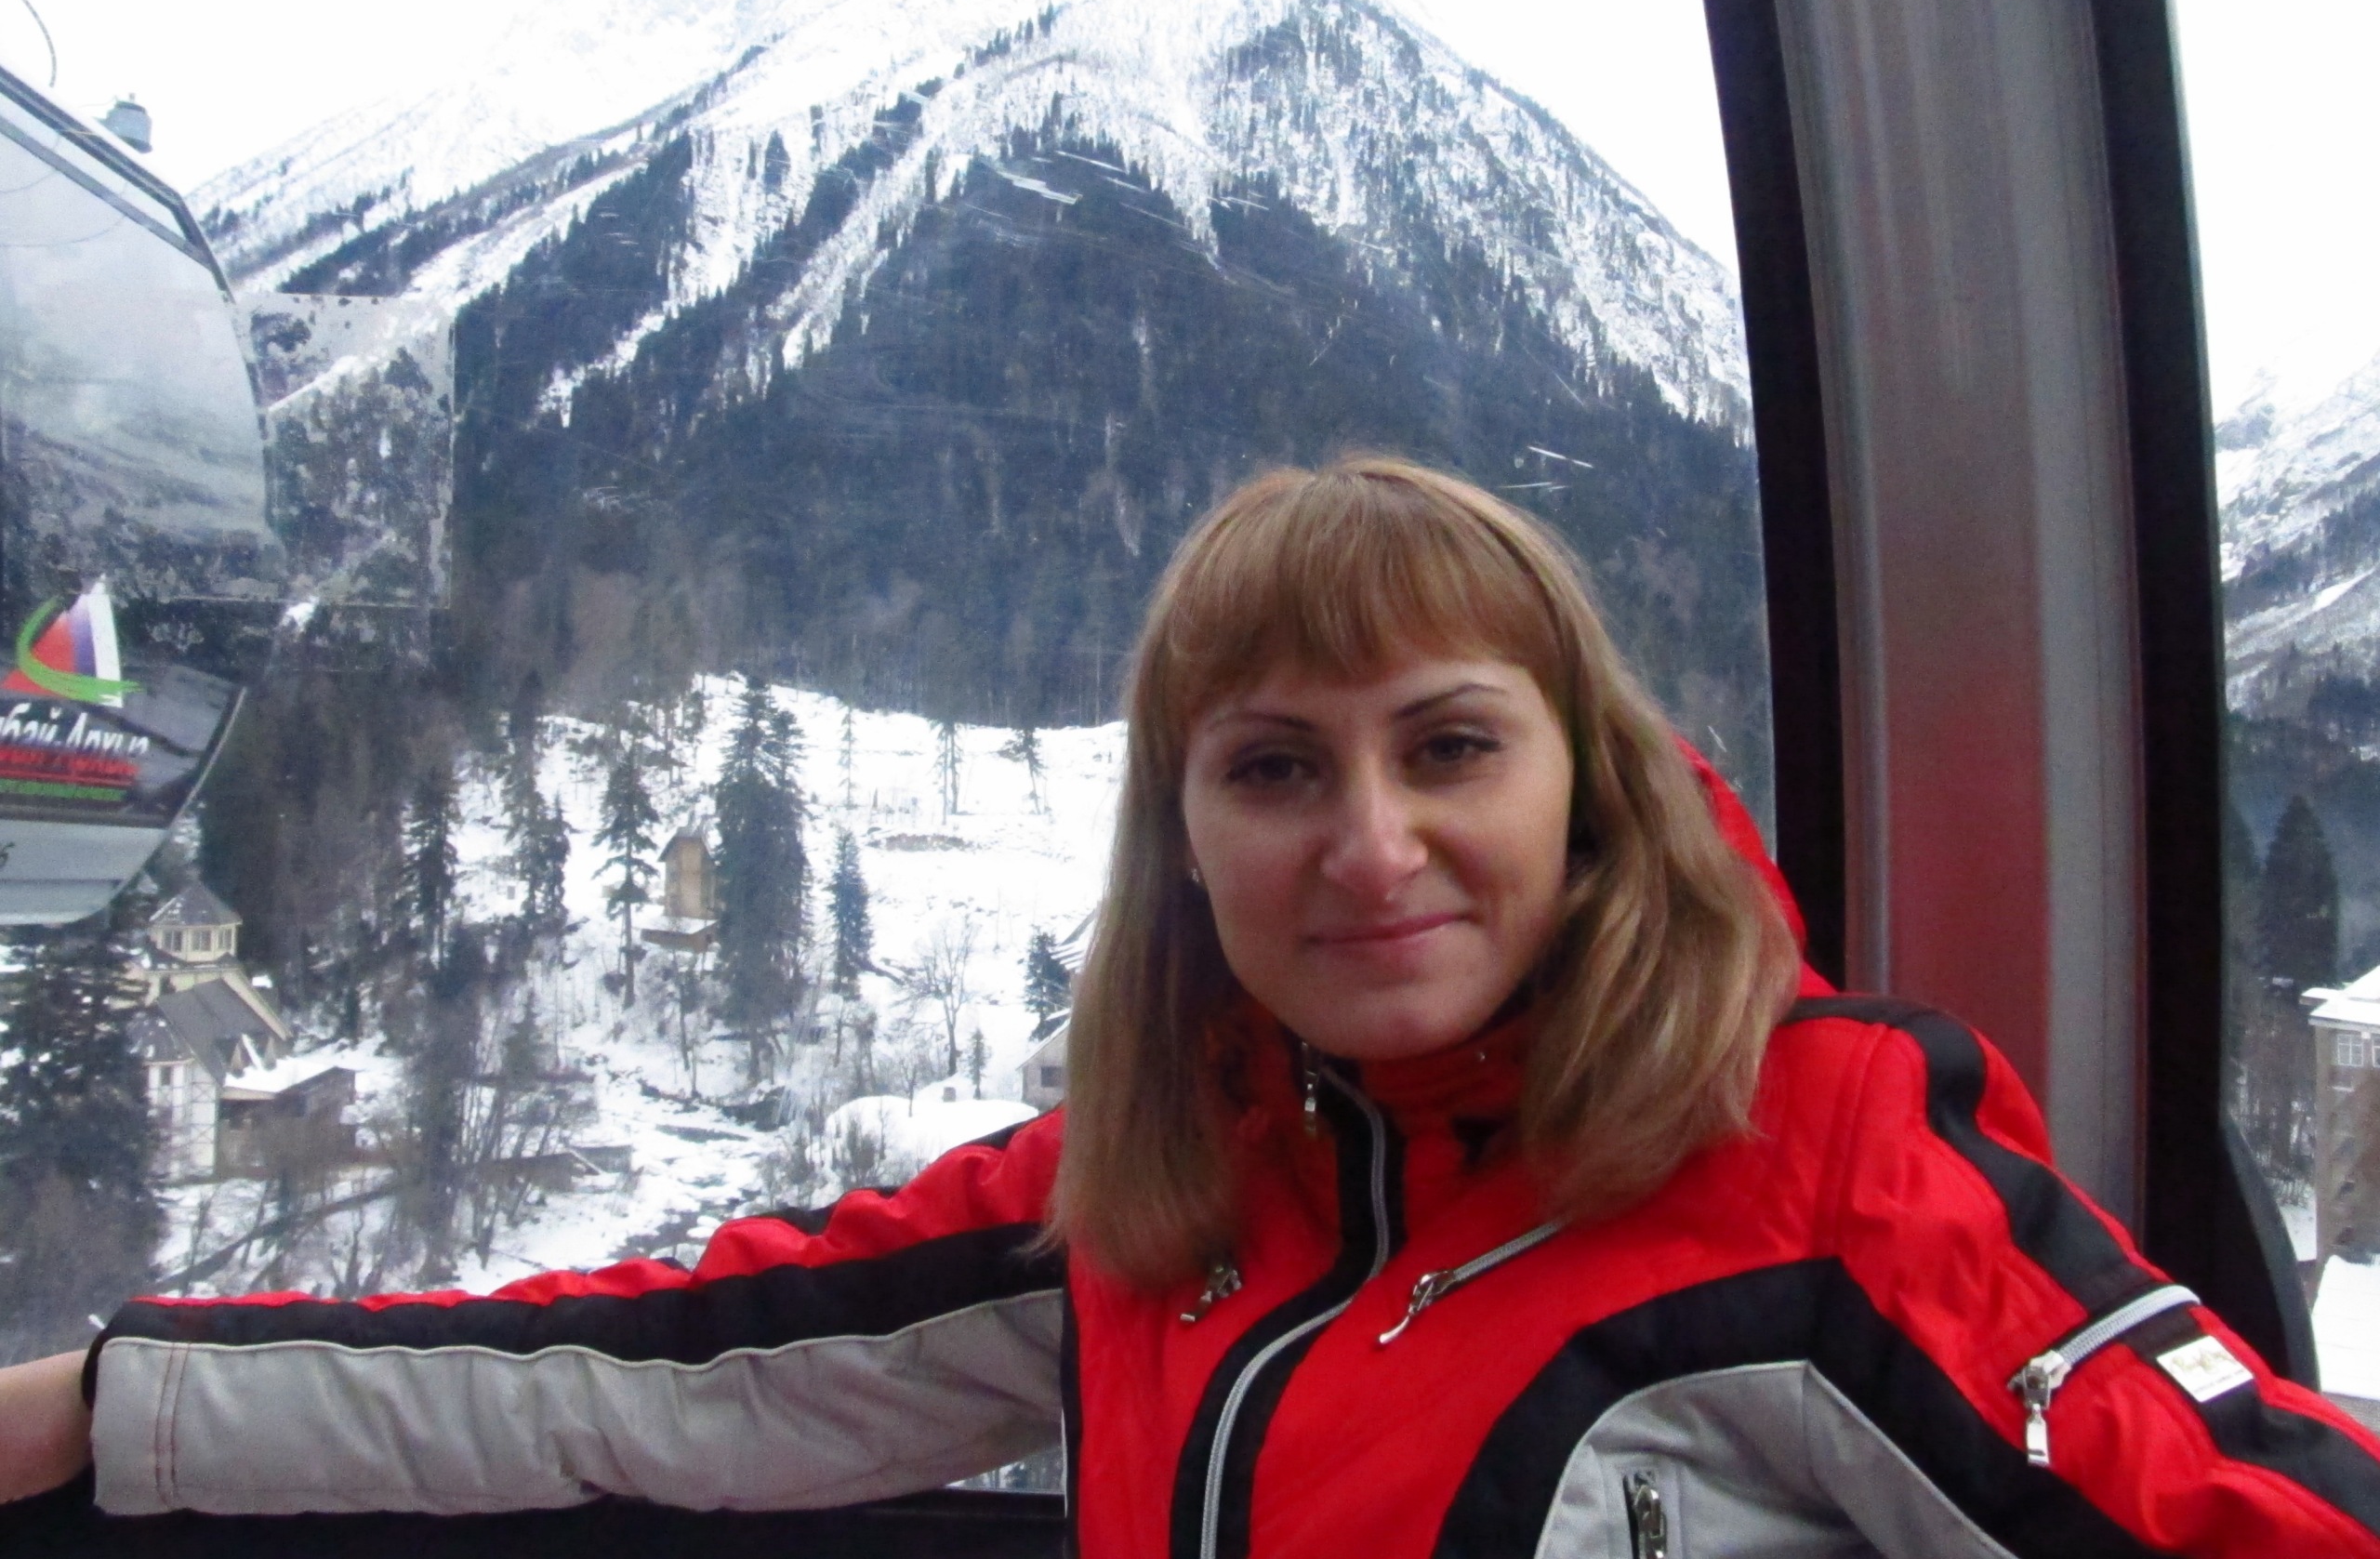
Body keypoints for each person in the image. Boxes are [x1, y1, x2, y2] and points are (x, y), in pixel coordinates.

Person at [2, 456, 2377, 1554]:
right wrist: (107, 1405)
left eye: (1446, 747)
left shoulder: (1817, 1163)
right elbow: (665, 1371)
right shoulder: (1172, 1189)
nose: (1369, 843)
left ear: (1588, 791)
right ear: (1186, 843)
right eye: (1273, 769)